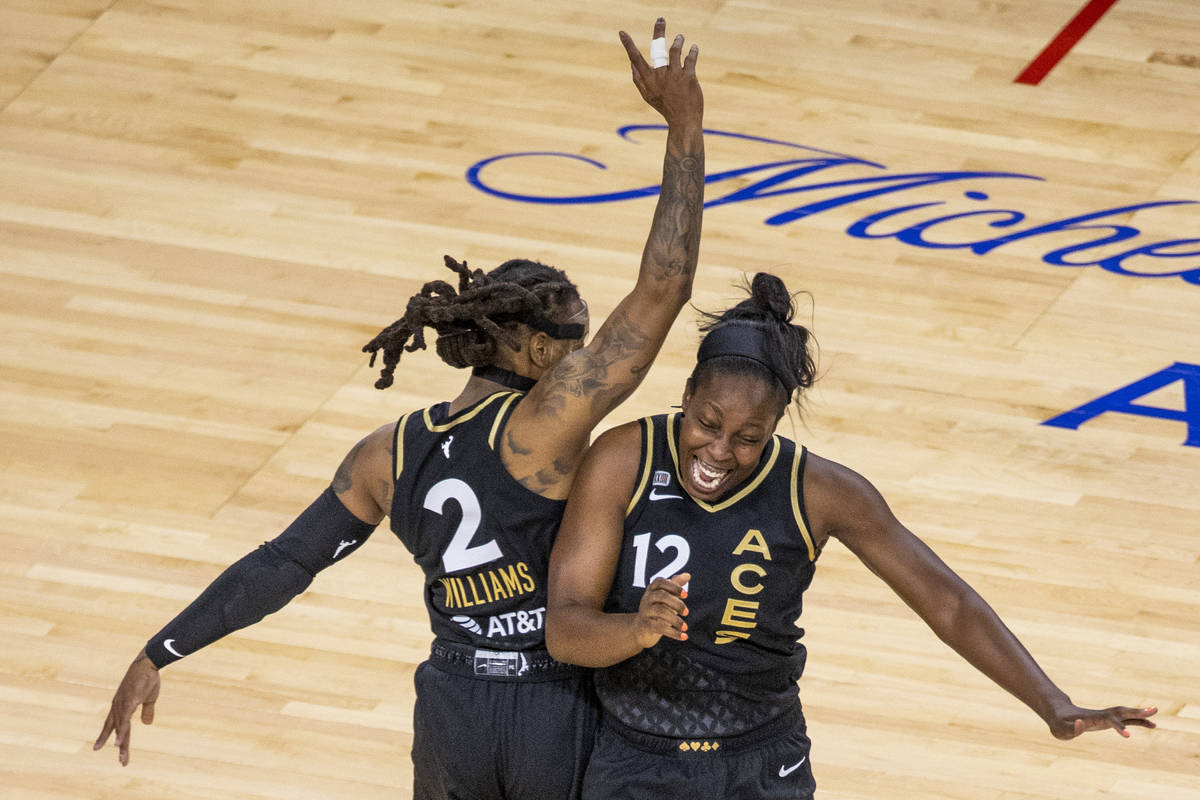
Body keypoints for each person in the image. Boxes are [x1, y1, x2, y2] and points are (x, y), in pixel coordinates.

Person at [94, 18, 706, 800]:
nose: (587, 353)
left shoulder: (387, 451)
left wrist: (162, 650)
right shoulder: (547, 420)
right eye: (576, 341)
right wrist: (684, 124)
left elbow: (286, 563)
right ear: (540, 353)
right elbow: (663, 285)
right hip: (548, 702)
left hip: (451, 705)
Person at [544, 272, 1158, 800]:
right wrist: (638, 628)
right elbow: (566, 630)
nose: (721, 451)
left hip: (762, 760)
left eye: (749, 437)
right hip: (635, 758)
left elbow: (948, 603)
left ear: (777, 425)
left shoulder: (821, 491)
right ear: (686, 396)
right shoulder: (623, 457)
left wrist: (1052, 703)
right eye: (707, 424)